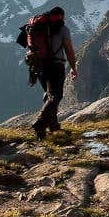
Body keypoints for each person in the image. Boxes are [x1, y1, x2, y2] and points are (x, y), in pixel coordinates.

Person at [31, 7, 76, 139]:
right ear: (61, 16)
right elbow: (68, 49)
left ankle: (53, 126)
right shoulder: (62, 29)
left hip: (38, 65)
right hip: (56, 65)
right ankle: (40, 122)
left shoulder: (37, 27)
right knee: (56, 95)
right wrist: (73, 67)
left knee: (49, 94)